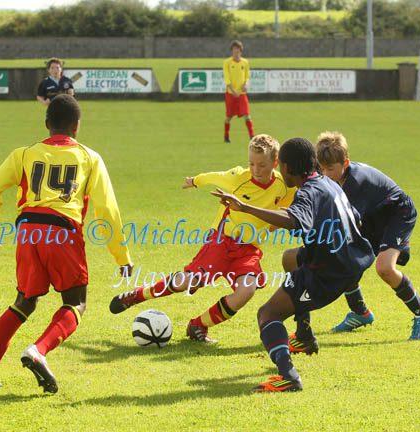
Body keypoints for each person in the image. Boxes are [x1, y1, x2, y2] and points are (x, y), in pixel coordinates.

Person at [0, 95, 133, 393]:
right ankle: (38, 351)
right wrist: (122, 256)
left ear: (46, 124)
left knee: (24, 302)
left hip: (28, 232)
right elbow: (107, 211)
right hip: (62, 233)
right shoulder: (89, 157)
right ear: (77, 126)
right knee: (75, 303)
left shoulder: (24, 154)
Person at [212, 137, 375, 392]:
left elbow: (292, 219)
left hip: (328, 272)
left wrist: (246, 207)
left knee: (267, 314)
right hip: (354, 259)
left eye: (281, 167)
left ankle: (289, 377)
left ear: (287, 168)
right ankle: (304, 336)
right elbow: (355, 219)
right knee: (289, 258)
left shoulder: (308, 192)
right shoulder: (327, 183)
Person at [110, 134, 294, 344]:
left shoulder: (283, 184)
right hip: (222, 241)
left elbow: (287, 206)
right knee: (188, 282)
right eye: (251, 163)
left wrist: (273, 224)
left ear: (275, 163)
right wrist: (195, 181)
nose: (255, 169)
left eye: (261, 165)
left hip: (249, 249)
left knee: (246, 290)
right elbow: (214, 176)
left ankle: (199, 325)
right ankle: (137, 296)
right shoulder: (239, 178)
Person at [287, 132, 420, 348]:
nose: (325, 174)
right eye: (322, 169)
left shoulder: (356, 183)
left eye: (331, 169)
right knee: (345, 257)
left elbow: (346, 222)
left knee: (384, 267)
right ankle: (360, 313)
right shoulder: (330, 178)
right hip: (371, 216)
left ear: (345, 163)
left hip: (396, 214)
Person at [223, 40, 254, 143]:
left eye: (238, 49)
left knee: (247, 116)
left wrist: (246, 84)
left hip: (241, 94)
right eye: (234, 49)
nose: (236, 51)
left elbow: (247, 76)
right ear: (232, 50)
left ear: (241, 50)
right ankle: (226, 137)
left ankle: (252, 137)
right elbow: (227, 78)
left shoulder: (245, 62)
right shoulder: (227, 62)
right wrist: (232, 90)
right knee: (228, 117)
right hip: (231, 94)